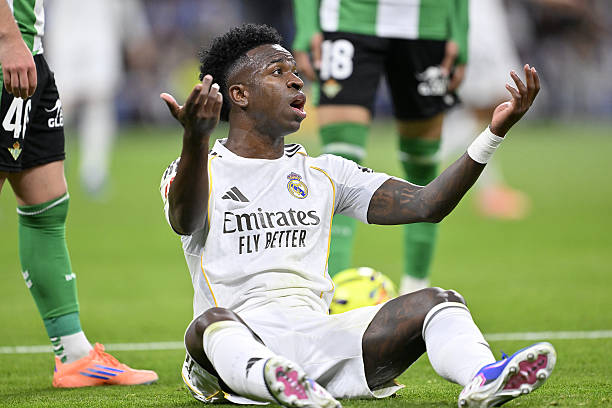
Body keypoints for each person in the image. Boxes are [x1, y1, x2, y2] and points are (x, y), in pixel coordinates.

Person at [159, 24, 555, 407]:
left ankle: (484, 377)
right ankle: (273, 377)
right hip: (237, 338)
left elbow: (428, 204)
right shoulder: (195, 169)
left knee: (439, 303)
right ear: (240, 94)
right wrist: (195, 138)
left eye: (295, 72)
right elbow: (185, 220)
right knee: (208, 324)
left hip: (318, 337)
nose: (297, 81)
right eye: (278, 72)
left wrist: (493, 133)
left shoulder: (326, 172)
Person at [0, 0, 157, 387]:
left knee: (46, 208)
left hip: (31, 55)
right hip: (9, 52)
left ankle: (75, 356)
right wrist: (7, 37)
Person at [292, 0, 469, 294]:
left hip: (426, 22)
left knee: (422, 166)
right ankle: (331, 298)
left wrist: (459, 29)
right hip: (348, 17)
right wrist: (308, 23)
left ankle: (415, 293)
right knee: (336, 168)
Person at [440, 0, 529, 220]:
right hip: (475, 22)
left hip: (486, 20)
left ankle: (490, 189)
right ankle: (431, 157)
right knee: (494, 105)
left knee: (490, 110)